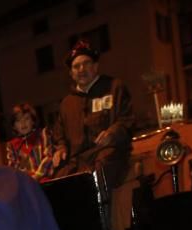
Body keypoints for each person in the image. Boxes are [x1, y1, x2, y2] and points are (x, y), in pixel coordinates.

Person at [51, 40, 135, 189]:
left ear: (96, 66)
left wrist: (113, 133)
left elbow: (127, 119)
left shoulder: (115, 87)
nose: (81, 69)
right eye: (76, 66)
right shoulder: (66, 103)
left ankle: (104, 211)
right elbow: (59, 134)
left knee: (97, 175)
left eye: (86, 63)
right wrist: (61, 148)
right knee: (58, 181)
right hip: (77, 160)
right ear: (71, 73)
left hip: (108, 153)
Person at [4, 103, 57, 182]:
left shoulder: (43, 135)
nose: (23, 123)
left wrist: (37, 176)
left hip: (45, 181)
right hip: (26, 184)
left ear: (33, 121)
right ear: (14, 126)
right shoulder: (12, 145)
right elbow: (13, 168)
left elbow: (49, 157)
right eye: (18, 121)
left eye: (26, 118)